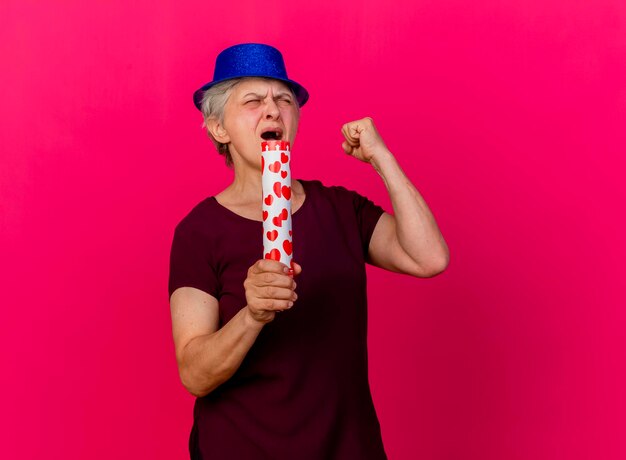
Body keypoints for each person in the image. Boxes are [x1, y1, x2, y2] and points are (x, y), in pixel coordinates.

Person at [168, 43, 449, 460]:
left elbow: (429, 258)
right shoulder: (199, 231)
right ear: (218, 128)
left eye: (284, 100)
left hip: (346, 447)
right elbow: (195, 373)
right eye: (253, 101)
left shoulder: (339, 208)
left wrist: (382, 159)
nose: (272, 110)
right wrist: (252, 315)